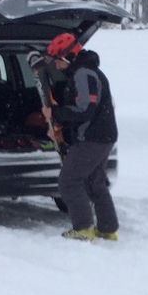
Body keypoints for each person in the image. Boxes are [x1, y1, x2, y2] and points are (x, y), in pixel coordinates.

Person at [41, 31, 119, 241]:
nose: (57, 66)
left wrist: (55, 113)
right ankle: (107, 228)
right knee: (95, 182)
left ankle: (84, 228)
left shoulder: (83, 74)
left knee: (69, 181)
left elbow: (85, 110)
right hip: (104, 135)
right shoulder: (88, 71)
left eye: (58, 61)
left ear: (69, 57)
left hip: (93, 137)